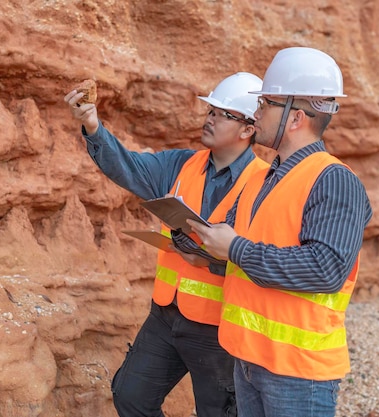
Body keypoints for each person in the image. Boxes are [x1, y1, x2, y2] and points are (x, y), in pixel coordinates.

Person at [64, 72, 270, 417]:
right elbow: (128, 167)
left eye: (222, 114)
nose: (210, 119)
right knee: (130, 397)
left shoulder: (263, 183)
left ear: (248, 129)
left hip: (218, 327)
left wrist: (211, 258)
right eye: (211, 111)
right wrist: (92, 125)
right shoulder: (180, 165)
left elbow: (263, 257)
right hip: (166, 314)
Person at [186, 47, 373, 417]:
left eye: (265, 103)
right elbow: (251, 250)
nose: (255, 113)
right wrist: (209, 254)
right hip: (249, 359)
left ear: (295, 118)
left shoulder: (334, 181)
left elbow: (325, 269)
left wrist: (235, 248)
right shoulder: (265, 176)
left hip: (297, 373)